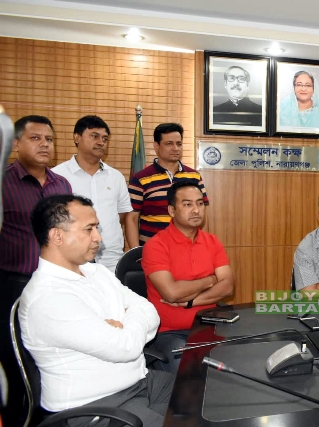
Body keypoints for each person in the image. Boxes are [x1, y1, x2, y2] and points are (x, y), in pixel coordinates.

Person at [19, 194, 173, 426]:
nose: (98, 237)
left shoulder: (96, 272)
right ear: (57, 236)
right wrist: (128, 326)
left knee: (204, 395)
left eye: (96, 228)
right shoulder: (47, 297)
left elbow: (148, 310)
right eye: (88, 229)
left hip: (140, 383)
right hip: (97, 405)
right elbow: (126, 347)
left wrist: (124, 325)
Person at [0, 115, 71, 426]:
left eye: (49, 139)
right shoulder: (4, 182)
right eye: (36, 138)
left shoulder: (62, 184)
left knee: (54, 360)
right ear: (16, 143)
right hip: (14, 287)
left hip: (56, 288)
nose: (45, 144)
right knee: (17, 364)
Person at [142, 180, 234, 372]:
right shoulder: (156, 246)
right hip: (169, 333)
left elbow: (227, 286)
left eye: (200, 203)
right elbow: (172, 293)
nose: (196, 210)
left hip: (209, 326)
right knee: (187, 369)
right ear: (171, 210)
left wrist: (191, 302)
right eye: (187, 204)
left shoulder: (212, 242)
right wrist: (210, 280)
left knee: (237, 363)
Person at [53, 115, 133, 272]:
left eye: (104, 138)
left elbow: (122, 215)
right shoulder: (57, 176)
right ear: (77, 137)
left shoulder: (116, 177)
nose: (101, 142)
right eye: (94, 136)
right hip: (72, 259)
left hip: (111, 259)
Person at [127, 123, 208, 246]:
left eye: (179, 144)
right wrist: (136, 253)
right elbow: (132, 218)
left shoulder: (194, 176)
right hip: (153, 249)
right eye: (169, 144)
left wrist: (203, 247)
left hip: (188, 249)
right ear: (156, 146)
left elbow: (203, 214)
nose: (175, 148)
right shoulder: (140, 179)